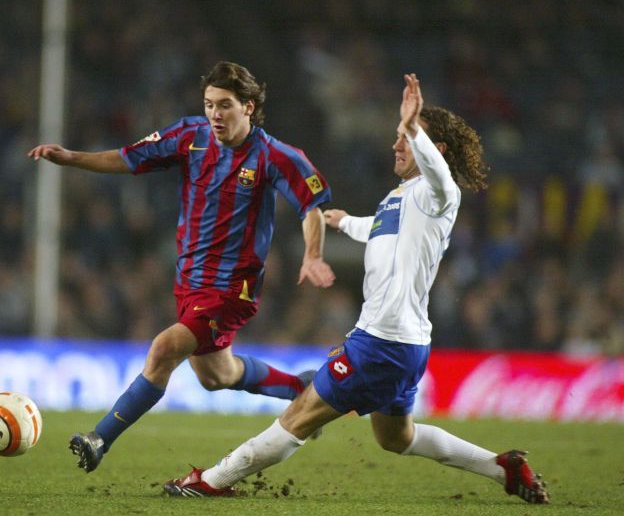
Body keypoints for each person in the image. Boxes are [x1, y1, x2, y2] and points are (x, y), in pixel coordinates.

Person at [163, 74, 549, 504]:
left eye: (403, 139)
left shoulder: (439, 194)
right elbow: (379, 229)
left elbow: (439, 174)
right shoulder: (402, 197)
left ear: (432, 150)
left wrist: (415, 125)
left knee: (300, 414)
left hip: (381, 342)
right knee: (395, 437)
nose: (396, 146)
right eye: (398, 137)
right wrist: (343, 222)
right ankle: (503, 468)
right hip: (405, 344)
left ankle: (212, 479)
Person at [28, 61, 336, 473]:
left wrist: (312, 255)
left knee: (163, 349)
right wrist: (71, 158)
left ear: (248, 107)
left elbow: (312, 207)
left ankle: (99, 438)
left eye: (224, 105)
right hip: (190, 279)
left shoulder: (274, 156)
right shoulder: (190, 136)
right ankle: (302, 387)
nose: (215, 114)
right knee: (216, 374)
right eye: (209, 104)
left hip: (232, 288)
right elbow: (129, 158)